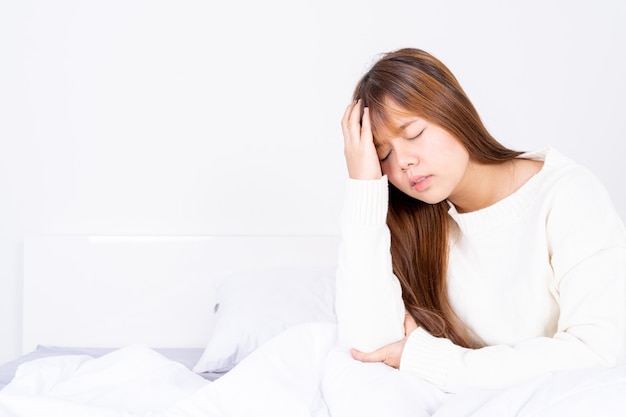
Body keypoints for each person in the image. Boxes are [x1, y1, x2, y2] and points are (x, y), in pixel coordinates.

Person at [335, 47, 626, 395]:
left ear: (451, 110)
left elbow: (597, 351)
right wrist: (364, 188)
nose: (404, 162)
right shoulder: (417, 224)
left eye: (413, 134)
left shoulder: (566, 195)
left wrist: (435, 361)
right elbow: (370, 347)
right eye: (384, 154)